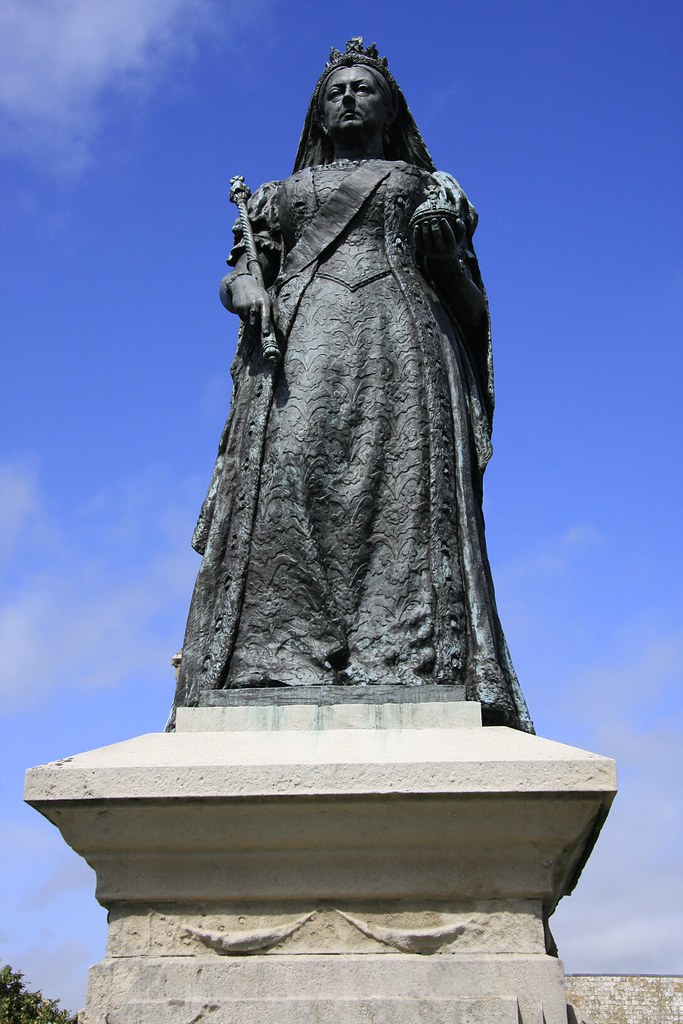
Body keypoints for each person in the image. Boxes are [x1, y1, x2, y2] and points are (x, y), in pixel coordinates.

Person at [169, 39, 533, 733]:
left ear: (390, 107)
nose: (347, 98)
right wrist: (245, 289)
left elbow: (468, 298)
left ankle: (405, 653)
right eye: (335, 89)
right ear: (317, 110)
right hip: (300, 341)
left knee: (404, 491)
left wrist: (442, 252)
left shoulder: (427, 185)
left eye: (363, 88)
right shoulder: (276, 196)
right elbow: (243, 269)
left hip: (399, 339)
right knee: (287, 475)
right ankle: (275, 657)